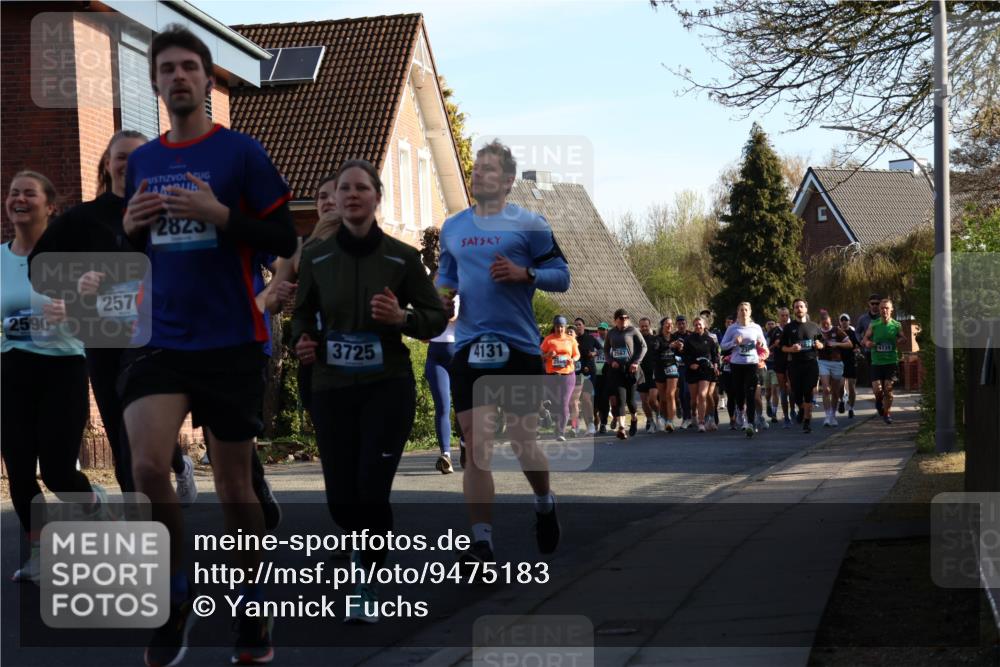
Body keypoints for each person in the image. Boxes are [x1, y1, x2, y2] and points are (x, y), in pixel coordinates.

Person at [119, 25, 297, 666]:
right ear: (156, 83)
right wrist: (131, 231)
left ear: (207, 79)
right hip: (162, 336)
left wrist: (221, 215)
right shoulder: (142, 161)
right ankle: (175, 588)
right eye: (166, 70)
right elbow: (138, 252)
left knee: (232, 490)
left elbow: (280, 232)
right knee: (144, 467)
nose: (178, 78)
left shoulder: (240, 153)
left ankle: (253, 606)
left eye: (189, 68)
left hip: (231, 337)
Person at [293, 159, 447, 622]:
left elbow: (435, 317)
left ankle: (367, 585)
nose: (353, 195)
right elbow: (301, 314)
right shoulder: (316, 258)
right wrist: (300, 340)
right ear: (336, 200)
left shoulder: (401, 257)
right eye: (345, 189)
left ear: (377, 198)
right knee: (342, 499)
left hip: (387, 387)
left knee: (371, 490)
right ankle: (366, 546)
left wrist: (404, 319)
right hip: (332, 386)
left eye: (362, 188)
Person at [28, 130, 201, 507]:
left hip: (159, 336)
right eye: (120, 156)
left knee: (151, 427)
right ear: (108, 164)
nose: (128, 163)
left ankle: (177, 464)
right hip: (105, 338)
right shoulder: (83, 219)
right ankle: (144, 525)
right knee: (123, 434)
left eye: (137, 156)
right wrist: (75, 281)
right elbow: (38, 269)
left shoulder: (168, 213)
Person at [436, 140, 570, 564]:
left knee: (522, 440)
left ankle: (544, 503)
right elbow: (446, 274)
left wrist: (524, 272)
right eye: (476, 169)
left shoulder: (530, 223)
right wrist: (442, 296)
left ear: (509, 180)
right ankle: (481, 542)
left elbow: (562, 276)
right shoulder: (453, 226)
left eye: (490, 170)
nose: (479, 176)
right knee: (476, 443)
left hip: (517, 346)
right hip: (470, 345)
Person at [2, 171, 113, 583]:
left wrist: (76, 310)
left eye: (29, 192)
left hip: (63, 367)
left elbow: (109, 310)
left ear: (50, 206)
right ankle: (40, 552)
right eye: (13, 192)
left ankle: (95, 505)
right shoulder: (0, 260)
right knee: (18, 470)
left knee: (57, 472)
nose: (18, 199)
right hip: (12, 369)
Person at [719, 302, 768, 438]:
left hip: (752, 363)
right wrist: (735, 342)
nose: (744, 312)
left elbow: (764, 344)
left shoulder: (756, 327)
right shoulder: (732, 328)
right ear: (738, 312)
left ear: (750, 312)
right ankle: (740, 411)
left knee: (750, 393)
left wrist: (761, 344)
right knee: (739, 393)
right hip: (737, 364)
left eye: (746, 309)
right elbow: (722, 346)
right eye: (741, 310)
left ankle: (751, 423)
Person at [780, 299, 825, 434]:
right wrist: (791, 349)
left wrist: (819, 345)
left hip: (811, 363)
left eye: (801, 306)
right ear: (794, 310)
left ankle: (807, 422)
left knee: (808, 392)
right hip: (795, 365)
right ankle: (801, 408)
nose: (799, 309)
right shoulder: (789, 328)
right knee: (796, 393)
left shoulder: (814, 326)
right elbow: (782, 347)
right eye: (796, 307)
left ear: (806, 309)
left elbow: (822, 343)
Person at [603, 309, 647, 440]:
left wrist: (636, 362)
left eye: (626, 317)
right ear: (615, 320)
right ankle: (621, 428)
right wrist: (611, 362)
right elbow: (606, 350)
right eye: (621, 318)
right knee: (620, 400)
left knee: (631, 401)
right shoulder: (611, 333)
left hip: (631, 370)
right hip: (617, 370)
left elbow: (644, 346)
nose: (624, 320)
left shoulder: (633, 330)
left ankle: (633, 418)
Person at [862, 298, 905, 425]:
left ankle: (887, 413)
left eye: (887, 308)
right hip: (876, 362)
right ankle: (878, 400)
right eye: (882, 308)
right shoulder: (874, 324)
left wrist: (901, 340)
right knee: (877, 390)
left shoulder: (897, 325)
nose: (884, 310)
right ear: (879, 310)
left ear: (891, 310)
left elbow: (903, 337)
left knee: (888, 389)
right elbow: (865, 339)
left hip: (891, 362)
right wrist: (868, 343)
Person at [541, 315, 580, 441]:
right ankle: (548, 417)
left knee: (564, 402)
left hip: (567, 375)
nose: (560, 329)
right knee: (554, 403)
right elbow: (539, 356)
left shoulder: (571, 339)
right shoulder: (548, 339)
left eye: (562, 327)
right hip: (551, 375)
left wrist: (572, 359)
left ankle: (560, 432)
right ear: (554, 326)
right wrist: (547, 355)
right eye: (558, 327)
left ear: (565, 326)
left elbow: (577, 354)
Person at [680, 316, 719, 432]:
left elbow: (715, 355)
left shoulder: (710, 339)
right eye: (696, 324)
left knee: (703, 395)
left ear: (704, 325)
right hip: (692, 370)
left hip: (705, 370)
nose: (698, 326)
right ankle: (693, 414)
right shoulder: (688, 339)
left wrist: (716, 366)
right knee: (694, 400)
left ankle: (702, 422)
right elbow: (684, 355)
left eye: (700, 324)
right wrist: (690, 364)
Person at [817, 311, 852, 427]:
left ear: (830, 321)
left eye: (827, 323)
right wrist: (818, 345)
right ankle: (827, 416)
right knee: (826, 389)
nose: (825, 326)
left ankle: (833, 415)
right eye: (823, 324)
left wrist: (836, 344)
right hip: (823, 362)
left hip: (837, 362)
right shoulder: (818, 332)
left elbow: (849, 344)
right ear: (820, 323)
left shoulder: (837, 330)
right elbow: (816, 343)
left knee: (835, 391)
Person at [653, 317, 680, 432]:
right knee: (663, 398)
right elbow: (655, 350)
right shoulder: (657, 339)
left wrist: (680, 348)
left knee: (670, 394)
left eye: (670, 324)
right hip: (659, 368)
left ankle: (670, 421)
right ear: (662, 325)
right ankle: (663, 416)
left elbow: (682, 351)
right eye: (666, 324)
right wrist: (669, 346)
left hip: (672, 367)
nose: (669, 326)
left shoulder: (675, 337)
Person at [572, 318, 597, 436]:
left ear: (583, 325)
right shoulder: (572, 340)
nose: (577, 326)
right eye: (575, 325)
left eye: (579, 324)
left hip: (589, 372)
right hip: (576, 373)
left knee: (586, 399)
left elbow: (602, 349)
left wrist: (594, 353)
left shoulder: (590, 338)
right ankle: (575, 426)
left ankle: (591, 425)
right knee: (575, 401)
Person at [769, 308, 793, 428]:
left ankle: (793, 409)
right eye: (782, 315)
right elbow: (768, 349)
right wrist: (775, 344)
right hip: (779, 362)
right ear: (778, 317)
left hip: (792, 361)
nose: (784, 318)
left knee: (791, 389)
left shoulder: (793, 328)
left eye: (786, 315)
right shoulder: (774, 331)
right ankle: (786, 416)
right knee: (783, 390)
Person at [637, 316, 660, 432]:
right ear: (639, 327)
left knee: (652, 400)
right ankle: (650, 421)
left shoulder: (655, 339)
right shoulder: (636, 340)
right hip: (641, 374)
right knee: (644, 402)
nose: (644, 328)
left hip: (653, 373)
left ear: (649, 326)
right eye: (642, 326)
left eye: (646, 326)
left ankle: (659, 415)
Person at [672, 315, 694, 428]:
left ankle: (689, 417)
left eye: (683, 323)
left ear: (686, 324)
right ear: (676, 325)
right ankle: (685, 415)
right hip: (676, 367)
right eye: (679, 323)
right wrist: (674, 346)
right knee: (679, 394)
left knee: (687, 393)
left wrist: (683, 348)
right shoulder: (673, 336)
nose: (681, 325)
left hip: (688, 367)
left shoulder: (691, 335)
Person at [838, 313, 860, 418]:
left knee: (851, 387)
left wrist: (857, 350)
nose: (844, 321)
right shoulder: (837, 333)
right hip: (840, 362)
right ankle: (842, 400)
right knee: (840, 386)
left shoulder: (853, 333)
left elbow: (859, 346)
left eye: (846, 320)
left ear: (849, 321)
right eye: (842, 320)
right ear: (839, 322)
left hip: (851, 361)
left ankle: (851, 408)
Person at [593, 321, 611, 433]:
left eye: (603, 329)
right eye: (600, 329)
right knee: (595, 399)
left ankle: (603, 423)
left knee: (605, 400)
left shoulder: (611, 342)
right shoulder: (595, 341)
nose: (601, 331)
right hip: (596, 373)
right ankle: (596, 419)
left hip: (607, 373)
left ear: (607, 331)